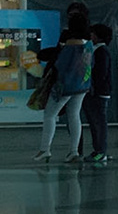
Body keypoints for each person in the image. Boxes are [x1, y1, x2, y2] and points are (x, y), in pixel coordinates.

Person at [34, 10, 93, 163]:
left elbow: (60, 65)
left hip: (65, 86)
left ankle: (45, 149)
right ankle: (73, 151)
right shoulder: (89, 44)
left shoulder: (70, 45)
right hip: (82, 85)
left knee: (49, 115)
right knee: (74, 115)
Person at [82, 23, 113, 165]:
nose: (90, 36)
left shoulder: (101, 52)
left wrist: (93, 87)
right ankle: (98, 150)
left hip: (99, 93)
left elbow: (101, 73)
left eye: (93, 34)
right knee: (96, 122)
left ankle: (101, 151)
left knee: (99, 122)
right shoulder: (96, 50)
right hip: (97, 91)